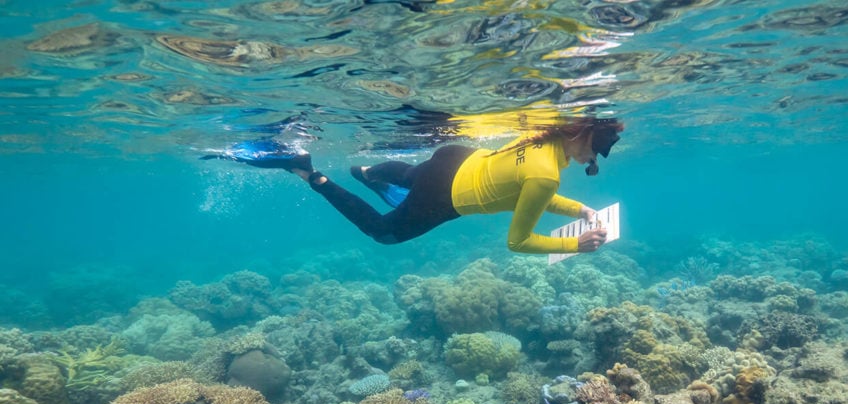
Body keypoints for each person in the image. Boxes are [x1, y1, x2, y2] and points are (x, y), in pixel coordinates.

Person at [221, 118, 623, 255]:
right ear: (582, 133)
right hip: (447, 196)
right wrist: (576, 244)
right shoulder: (547, 173)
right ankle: (311, 174)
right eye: (598, 148)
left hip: (456, 157)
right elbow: (518, 242)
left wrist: (581, 211)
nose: (595, 158)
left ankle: (366, 171)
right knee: (384, 233)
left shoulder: (543, 137)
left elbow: (524, 186)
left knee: (415, 175)